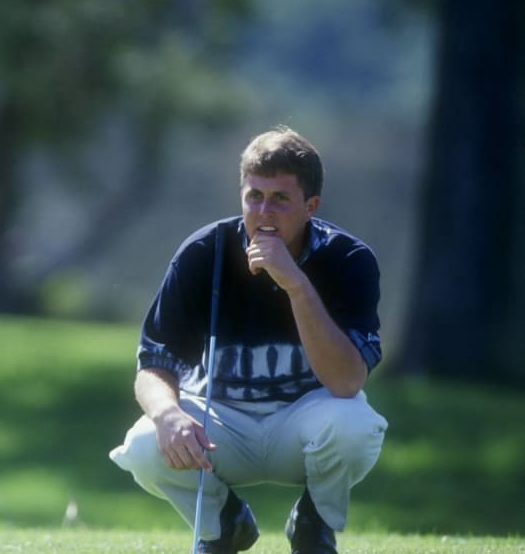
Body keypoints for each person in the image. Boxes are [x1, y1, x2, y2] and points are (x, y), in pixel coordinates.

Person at [109, 126, 388, 554]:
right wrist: (168, 415)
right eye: (253, 196)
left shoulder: (348, 260)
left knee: (355, 426)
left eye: (280, 199)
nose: (264, 212)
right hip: (222, 422)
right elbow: (154, 362)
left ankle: (314, 523)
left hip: (304, 419)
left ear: (310, 206)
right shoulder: (204, 253)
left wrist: (295, 283)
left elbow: (347, 383)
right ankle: (223, 526)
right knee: (145, 445)